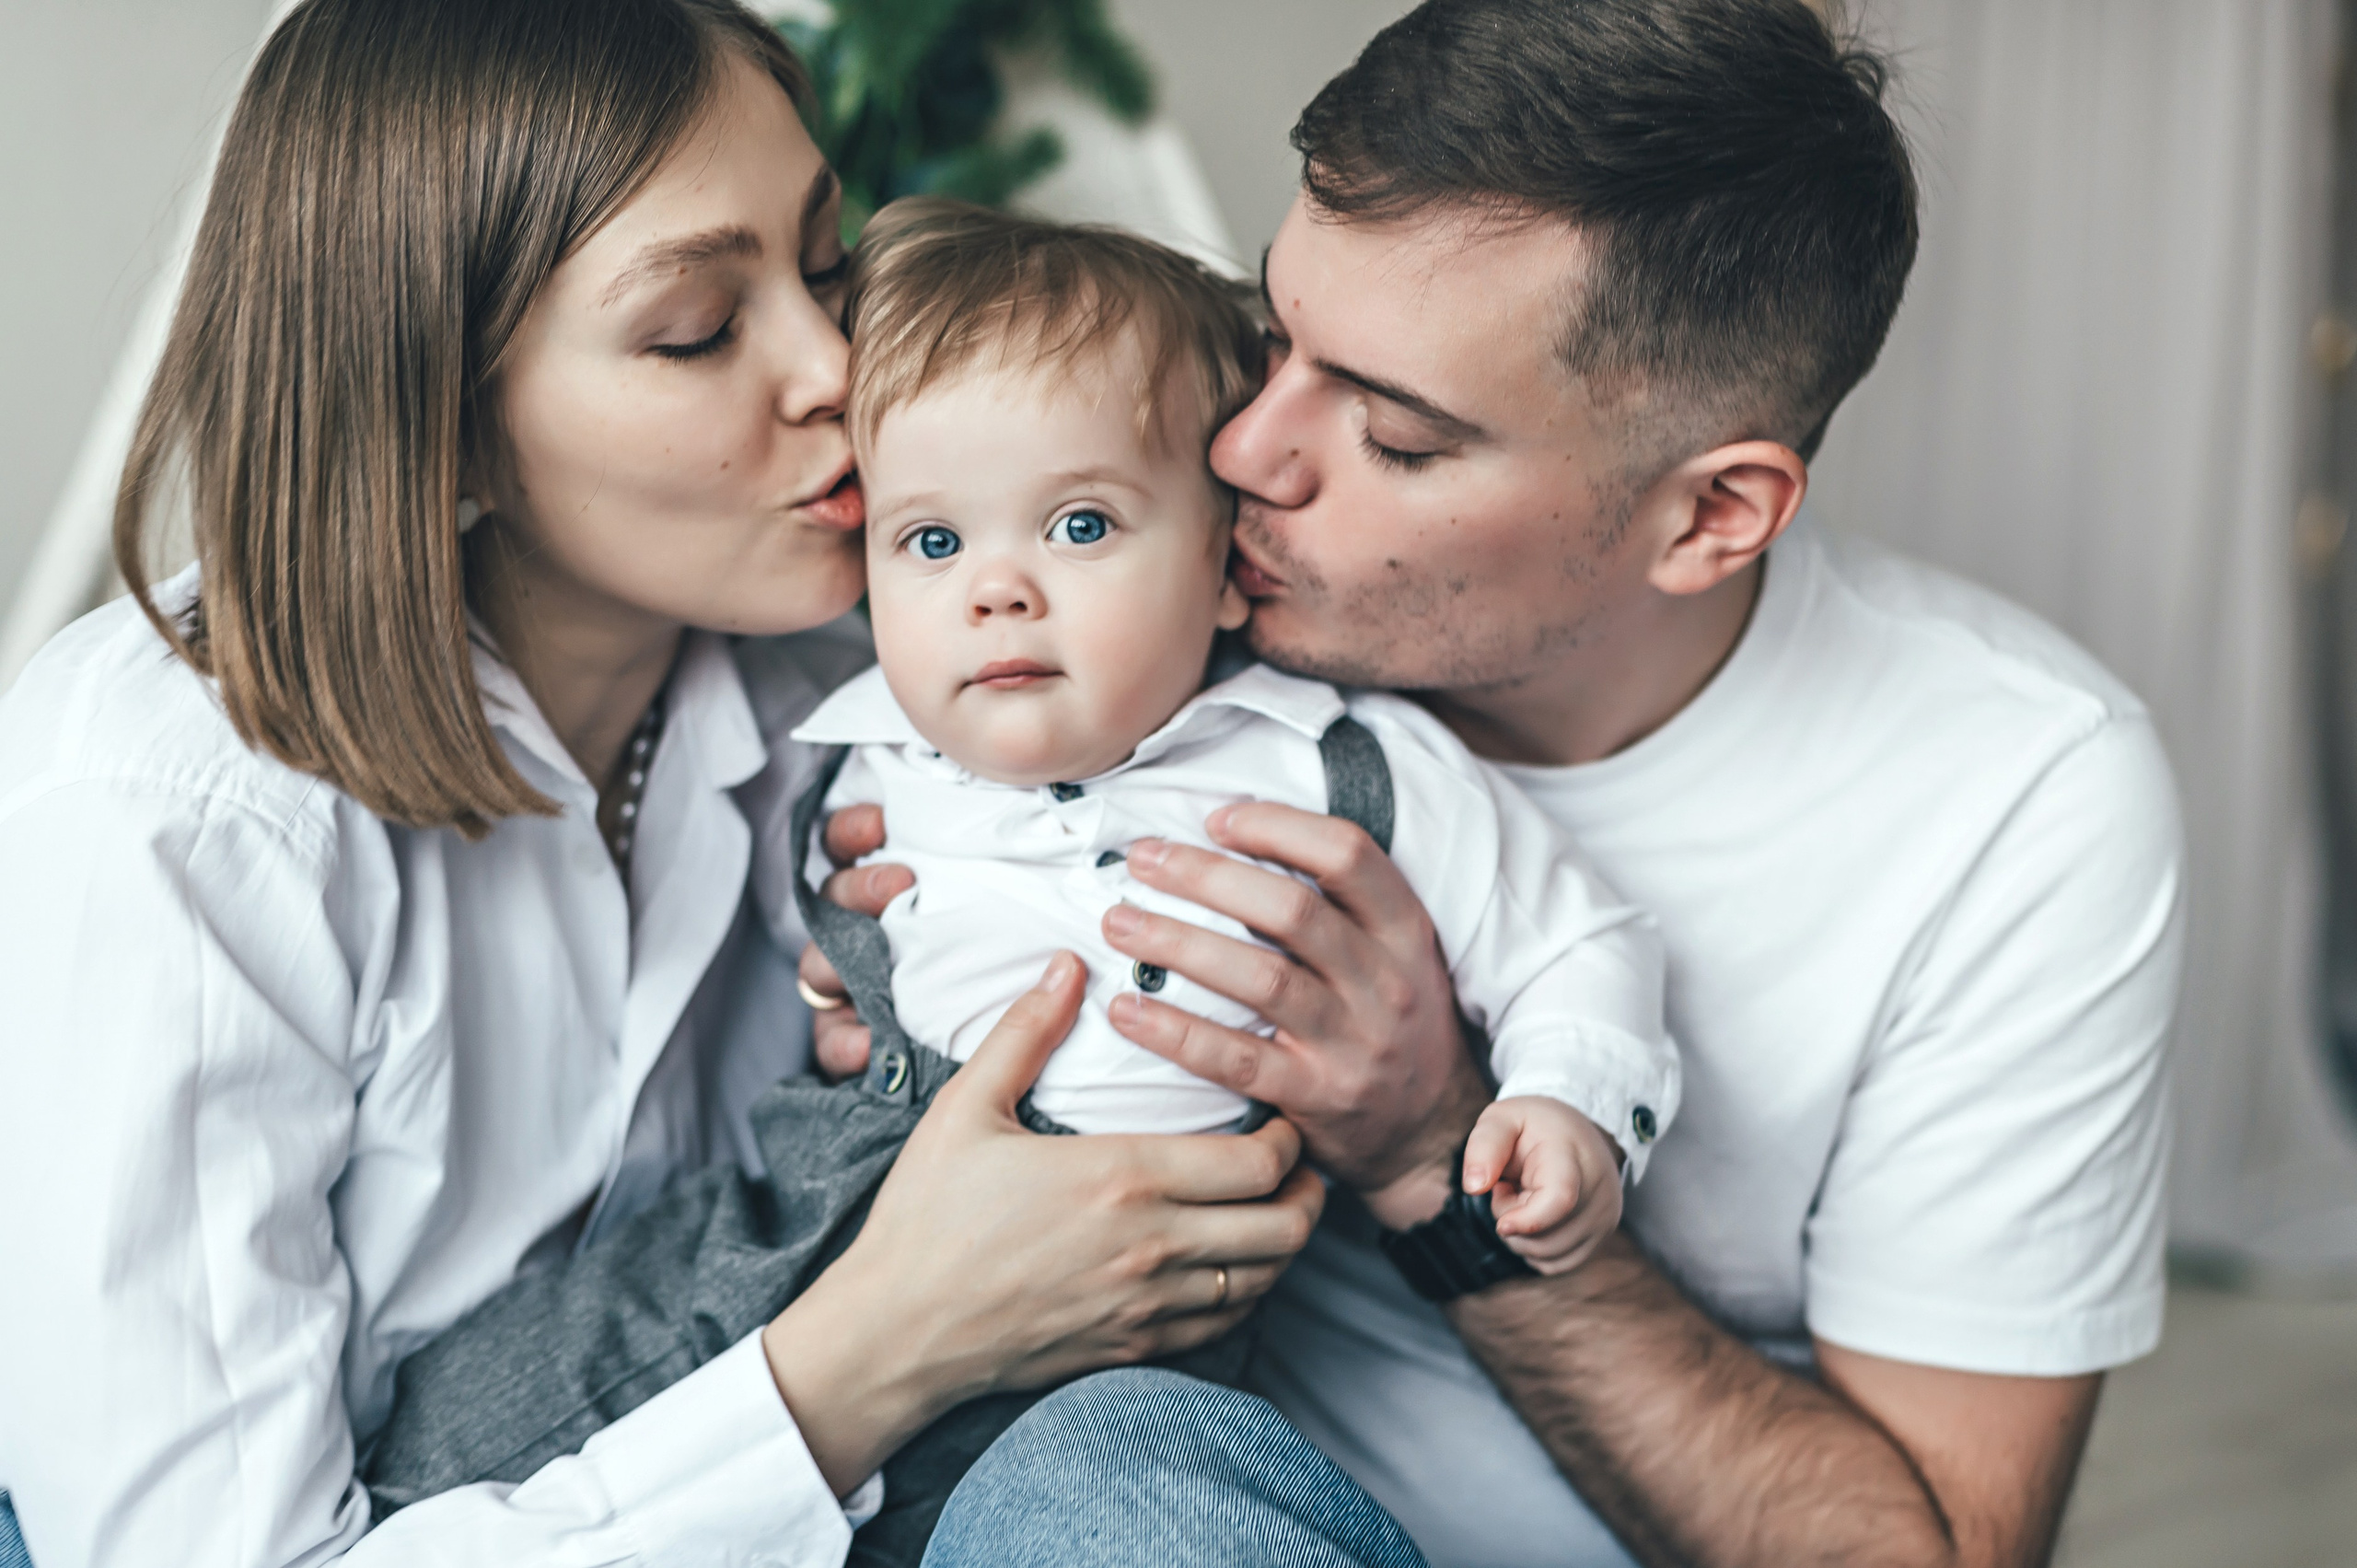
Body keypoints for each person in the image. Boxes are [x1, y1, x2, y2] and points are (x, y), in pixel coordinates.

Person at [0, 4, 1399, 1565]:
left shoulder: (861, 682)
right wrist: (881, 1344)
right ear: (443, 423)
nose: (833, 370)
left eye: (821, 264)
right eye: (694, 331)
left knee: (1126, 1470)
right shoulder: (169, 813)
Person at [805, 2, 2183, 1564]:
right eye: (1274, 338)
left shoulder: (2017, 796)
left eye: (1391, 432)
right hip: (1109, 1481)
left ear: (1711, 513)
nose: (1248, 449)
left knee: (1095, 1483)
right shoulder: (1147, 607)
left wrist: (1427, 1151)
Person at [355, 198, 1676, 1563]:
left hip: (1127, 1350)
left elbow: (1580, 940)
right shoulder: (853, 753)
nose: (998, 590)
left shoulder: (1336, 767)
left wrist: (1572, 1101)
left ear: (1229, 563)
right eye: (933, 544)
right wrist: (840, 985)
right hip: (793, 1255)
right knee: (452, 1432)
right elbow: (814, 976)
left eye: (1084, 526)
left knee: (1100, 1497)